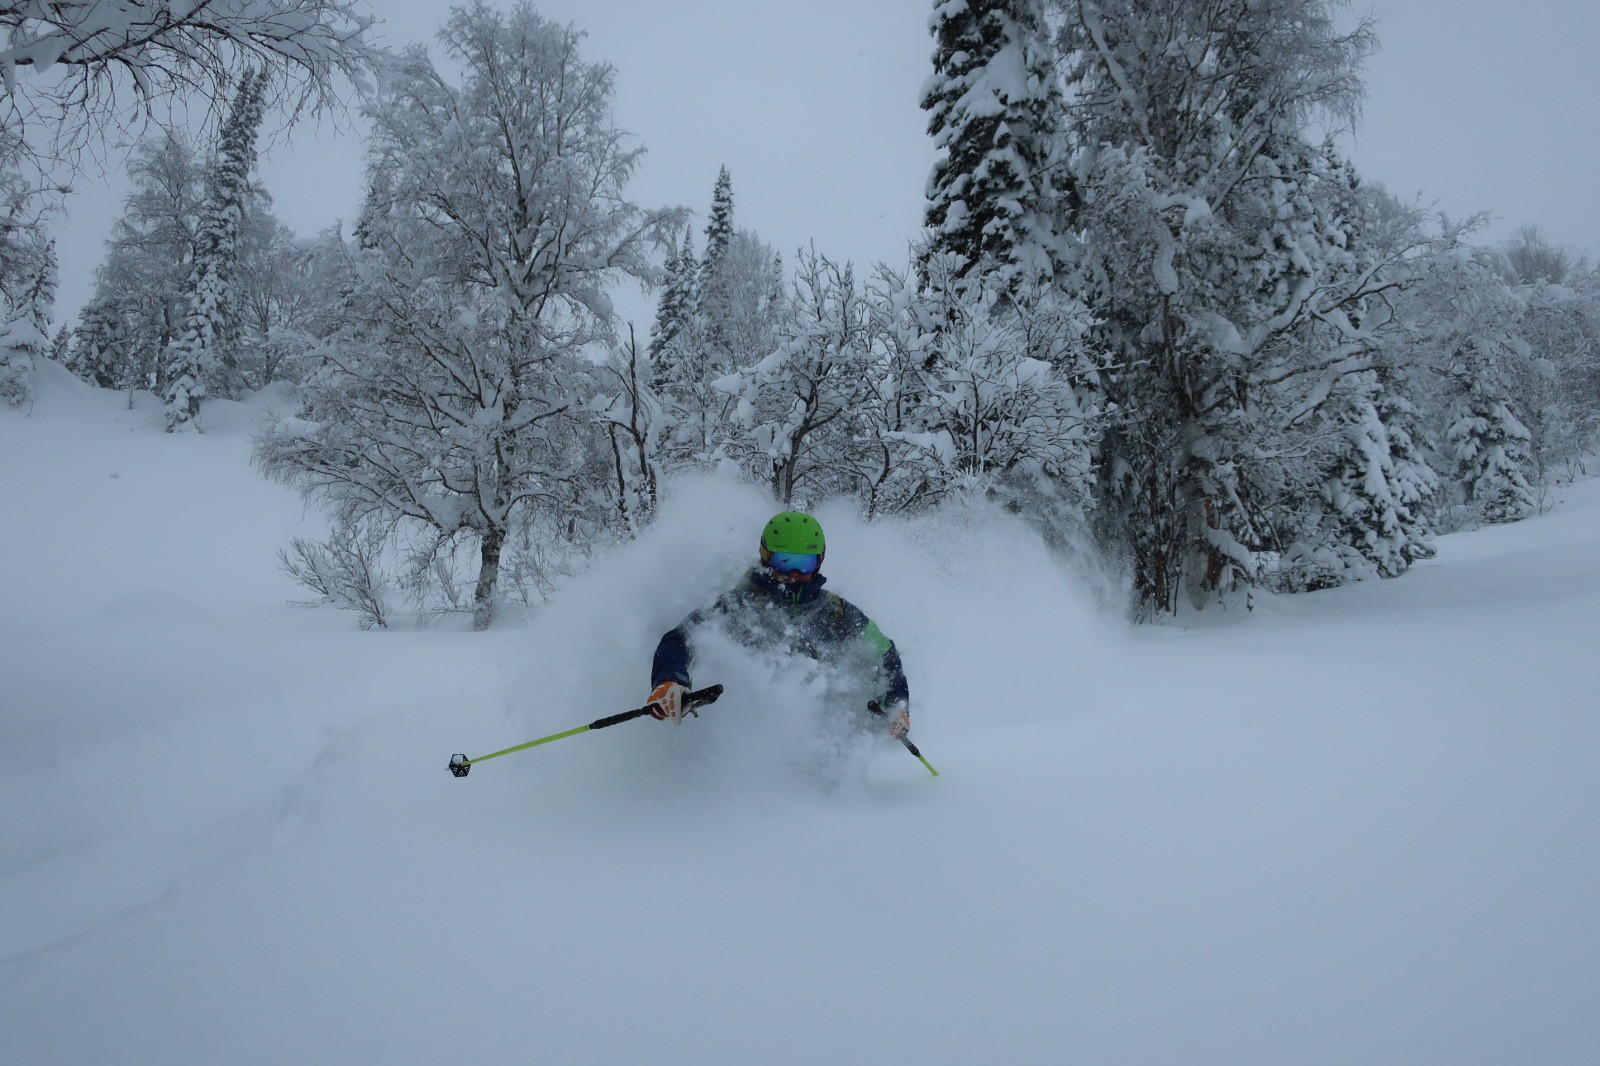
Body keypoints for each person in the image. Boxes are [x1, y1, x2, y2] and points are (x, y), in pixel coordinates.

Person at [646, 511, 912, 740]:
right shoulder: (737, 606)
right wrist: (670, 680)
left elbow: (884, 653)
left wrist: (895, 705)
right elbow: (680, 638)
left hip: (820, 741)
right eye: (784, 561)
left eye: (804, 563)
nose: (794, 573)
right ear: (766, 557)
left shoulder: (837, 613)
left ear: (818, 563)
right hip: (745, 741)